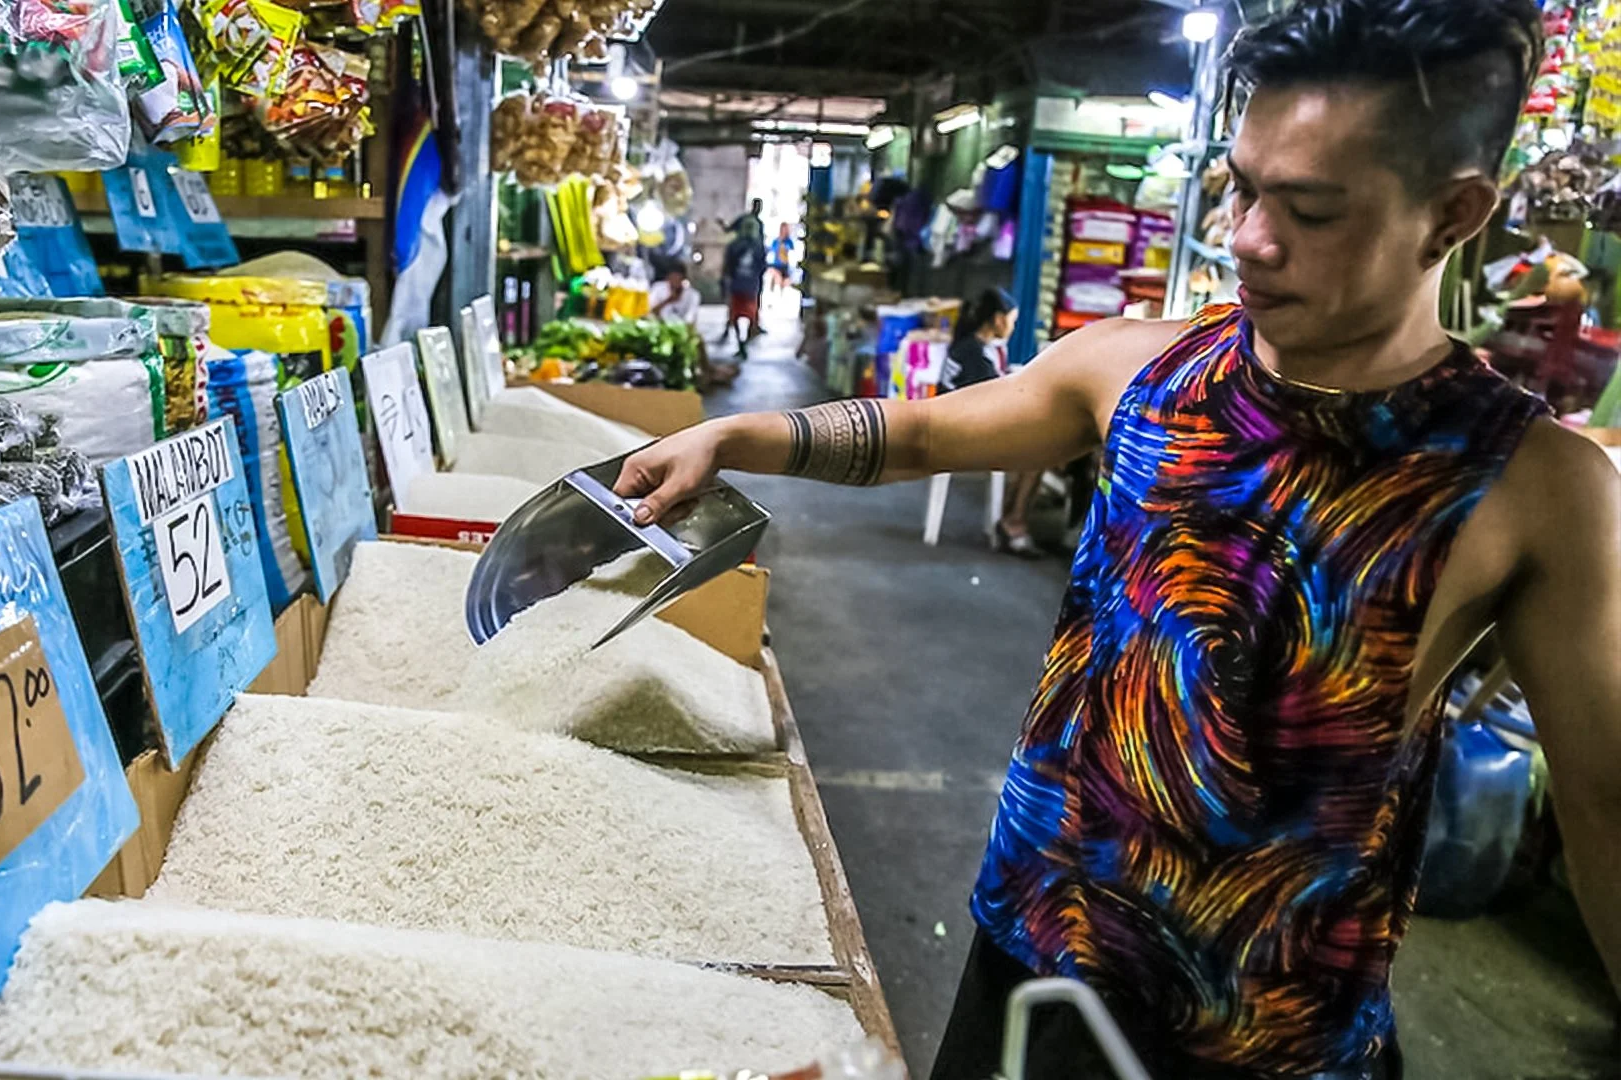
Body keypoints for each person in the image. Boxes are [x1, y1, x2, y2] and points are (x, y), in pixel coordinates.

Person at [612, 3, 1621, 1078]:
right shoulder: (1140, 369)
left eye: (1311, 211)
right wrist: (733, 437)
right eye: (1241, 187)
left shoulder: (1530, 487)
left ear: (1455, 214)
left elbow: (1606, 808)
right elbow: (922, 430)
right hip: (1032, 956)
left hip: (1264, 1036)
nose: (1246, 238)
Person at [940, 289, 1043, 557]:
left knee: (1035, 449)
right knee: (1038, 456)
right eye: (1012, 320)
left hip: (960, 426)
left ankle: (1010, 518)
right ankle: (1014, 523)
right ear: (999, 320)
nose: (1013, 326)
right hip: (959, 435)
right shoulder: (975, 355)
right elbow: (993, 403)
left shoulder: (977, 348)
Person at [722, 222, 767, 359]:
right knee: (750, 315)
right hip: (751, 286)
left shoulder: (734, 245)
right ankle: (744, 342)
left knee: (736, 315)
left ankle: (740, 343)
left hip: (737, 285)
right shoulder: (759, 246)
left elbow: (728, 266)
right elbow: (762, 267)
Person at [648, 259, 701, 324]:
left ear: (683, 279)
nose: (674, 282)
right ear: (667, 278)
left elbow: (691, 316)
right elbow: (650, 311)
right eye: (672, 279)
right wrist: (668, 301)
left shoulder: (693, 295)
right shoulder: (658, 288)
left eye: (678, 279)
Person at [767, 222, 797, 291]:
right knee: (776, 279)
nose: (784, 231)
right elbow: (772, 250)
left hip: (785, 265)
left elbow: (792, 251)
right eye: (782, 229)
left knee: (784, 284)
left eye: (785, 229)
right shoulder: (776, 241)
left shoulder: (789, 241)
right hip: (776, 264)